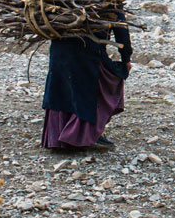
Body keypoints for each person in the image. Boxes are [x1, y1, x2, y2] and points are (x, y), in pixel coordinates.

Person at [41, 12, 132, 150]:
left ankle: (57, 138)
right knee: (95, 87)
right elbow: (121, 29)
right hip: (89, 51)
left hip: (59, 50)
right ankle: (81, 137)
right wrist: (126, 58)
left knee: (60, 88)